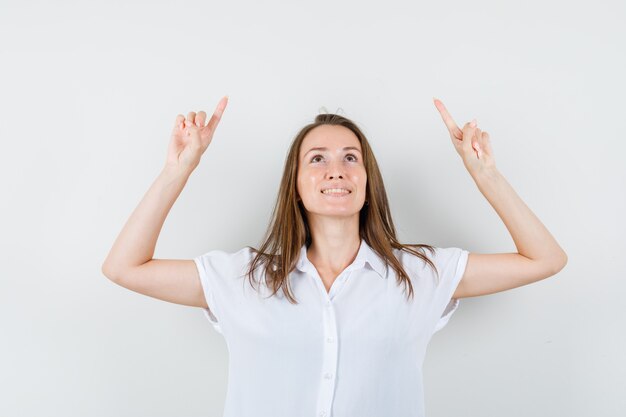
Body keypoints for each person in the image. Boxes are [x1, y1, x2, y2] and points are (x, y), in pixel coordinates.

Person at [101, 96, 568, 417]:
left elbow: (544, 259)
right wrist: (177, 170)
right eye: (317, 158)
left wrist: (484, 175)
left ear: (367, 182)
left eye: (351, 158)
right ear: (297, 186)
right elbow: (124, 267)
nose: (336, 170)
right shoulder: (245, 278)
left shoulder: (419, 275)